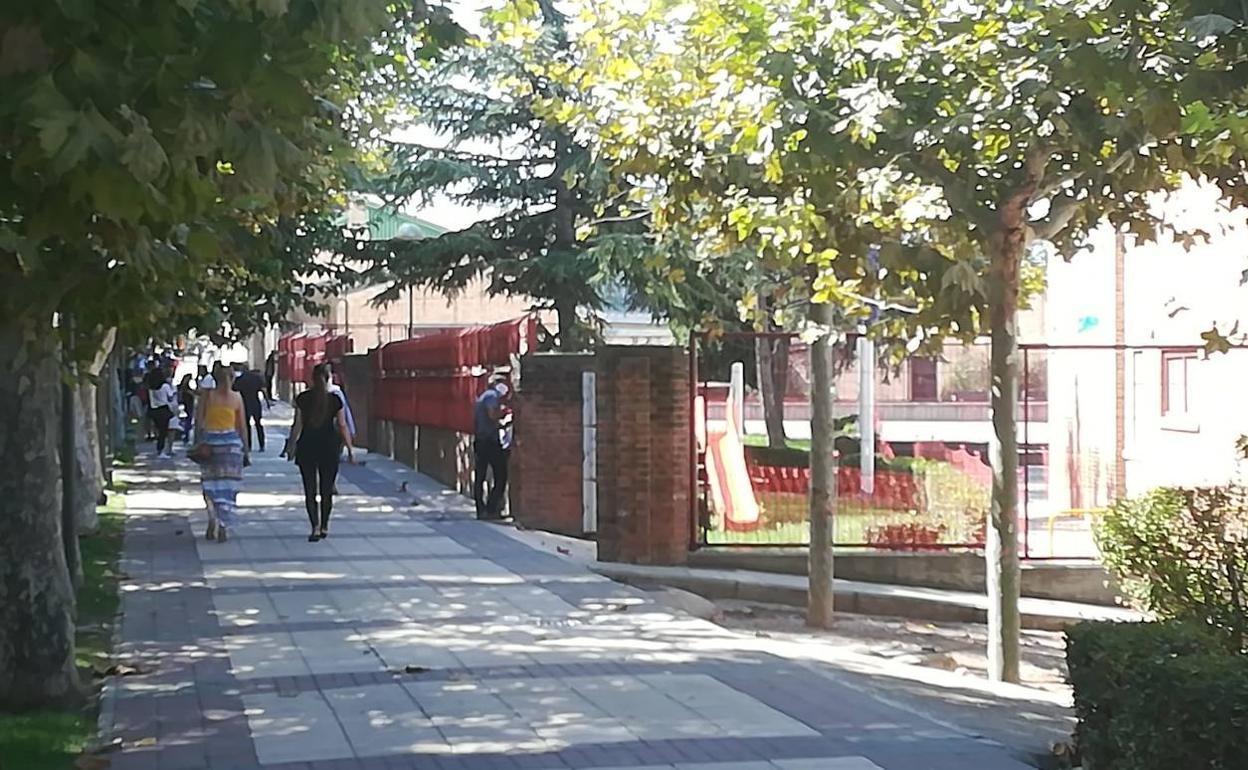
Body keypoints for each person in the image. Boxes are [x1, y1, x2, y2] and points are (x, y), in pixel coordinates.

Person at [283, 364, 354, 541]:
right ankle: (324, 526)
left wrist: (291, 445)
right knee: (326, 489)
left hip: (307, 447)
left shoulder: (303, 399)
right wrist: (350, 449)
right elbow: (342, 425)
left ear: (312, 378)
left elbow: (297, 425)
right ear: (329, 377)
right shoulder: (335, 400)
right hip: (329, 448)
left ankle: (314, 526)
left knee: (310, 489)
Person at [193, 363, 250, 542]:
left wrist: (197, 442)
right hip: (231, 447)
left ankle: (212, 517)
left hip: (211, 445)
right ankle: (224, 524)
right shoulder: (237, 398)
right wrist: (246, 450)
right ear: (232, 379)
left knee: (210, 484)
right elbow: (242, 426)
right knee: (228, 487)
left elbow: (198, 422)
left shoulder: (207, 396)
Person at [472, 378, 511, 520]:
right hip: (489, 442)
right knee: (501, 475)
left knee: (480, 476)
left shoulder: (482, 397)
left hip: (481, 440)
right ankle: (491, 508)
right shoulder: (491, 396)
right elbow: (492, 415)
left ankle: (482, 509)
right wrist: (504, 414)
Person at [233, 368, 269, 452]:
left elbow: (235, 390)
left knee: (247, 425)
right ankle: (262, 444)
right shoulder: (256, 379)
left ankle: (248, 445)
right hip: (255, 403)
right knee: (258, 424)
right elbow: (263, 390)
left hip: (245, 403)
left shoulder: (240, 379)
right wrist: (267, 402)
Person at [147, 368, 177, 458]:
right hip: (164, 409)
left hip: (154, 409)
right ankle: (161, 451)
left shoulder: (151, 387)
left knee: (159, 430)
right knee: (163, 432)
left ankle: (159, 449)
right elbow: (170, 397)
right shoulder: (165, 386)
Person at [177, 374, 196, 441]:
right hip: (189, 406)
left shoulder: (183, 389)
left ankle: (186, 435)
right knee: (188, 421)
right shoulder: (186, 390)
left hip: (187, 406)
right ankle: (186, 435)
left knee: (188, 421)